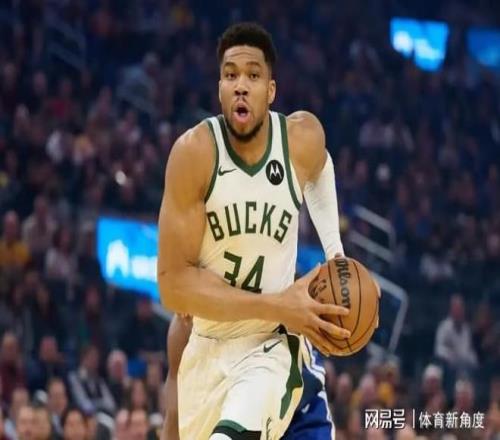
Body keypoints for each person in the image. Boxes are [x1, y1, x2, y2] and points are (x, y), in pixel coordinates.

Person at [157, 22, 348, 439]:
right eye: (230, 75)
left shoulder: (299, 139)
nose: (241, 85)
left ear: (271, 90)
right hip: (211, 349)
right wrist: (279, 305)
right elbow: (172, 287)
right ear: (219, 88)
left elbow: (321, 166)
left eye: (253, 75)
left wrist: (336, 255)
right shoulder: (194, 154)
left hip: (272, 345)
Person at [162, 315, 337, 440]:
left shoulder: (283, 284)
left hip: (298, 415)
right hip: (223, 408)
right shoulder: (188, 320)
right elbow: (174, 411)